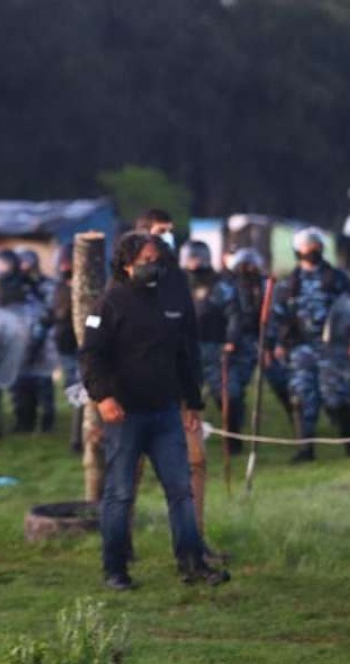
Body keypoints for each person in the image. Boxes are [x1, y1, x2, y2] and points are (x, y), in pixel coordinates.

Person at [81, 232, 229, 590]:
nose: (153, 266)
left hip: (165, 413)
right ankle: (115, 569)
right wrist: (103, 397)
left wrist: (192, 401)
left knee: (181, 490)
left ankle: (192, 562)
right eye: (146, 260)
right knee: (120, 493)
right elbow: (91, 356)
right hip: (125, 415)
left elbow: (182, 354)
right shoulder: (108, 304)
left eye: (157, 260)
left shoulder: (168, 300)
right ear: (127, 263)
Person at [134, 209, 219, 559]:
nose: (167, 237)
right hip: (137, 392)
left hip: (179, 389)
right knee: (130, 472)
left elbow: (189, 339)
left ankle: (195, 543)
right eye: (160, 231)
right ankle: (121, 545)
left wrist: (193, 396)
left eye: (170, 231)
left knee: (195, 464)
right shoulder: (124, 279)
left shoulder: (177, 280)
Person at [270, 227, 350, 462]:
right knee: (302, 398)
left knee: (336, 398)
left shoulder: (337, 279)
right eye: (305, 246)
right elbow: (277, 317)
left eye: (314, 245)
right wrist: (277, 343)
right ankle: (305, 450)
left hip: (333, 348)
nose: (310, 250)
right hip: (301, 349)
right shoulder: (289, 284)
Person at [179, 240, 244, 453]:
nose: (194, 262)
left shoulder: (220, 285)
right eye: (190, 257)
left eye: (198, 257)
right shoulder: (177, 284)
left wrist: (231, 339)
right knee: (186, 397)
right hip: (186, 350)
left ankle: (233, 441)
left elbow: (234, 314)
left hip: (215, 347)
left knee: (227, 395)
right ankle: (186, 442)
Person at [225, 248, 293, 422]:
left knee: (283, 384)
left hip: (266, 340)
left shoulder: (268, 286)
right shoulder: (229, 287)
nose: (247, 270)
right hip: (241, 342)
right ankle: (234, 427)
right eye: (243, 266)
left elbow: (276, 316)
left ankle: (298, 422)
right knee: (233, 389)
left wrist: (269, 343)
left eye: (250, 266)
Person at [12, 247, 57, 433]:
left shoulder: (46, 285)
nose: (24, 266)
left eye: (27, 262)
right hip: (19, 340)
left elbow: (50, 310)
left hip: (43, 342)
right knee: (20, 384)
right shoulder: (14, 285)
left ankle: (47, 422)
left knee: (43, 383)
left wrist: (39, 335)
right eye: (21, 262)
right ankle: (23, 421)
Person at [50, 243, 81, 452]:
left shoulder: (88, 285)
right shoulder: (58, 287)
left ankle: (77, 438)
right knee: (73, 389)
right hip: (66, 343)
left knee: (81, 389)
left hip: (83, 344)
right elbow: (57, 313)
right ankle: (77, 435)